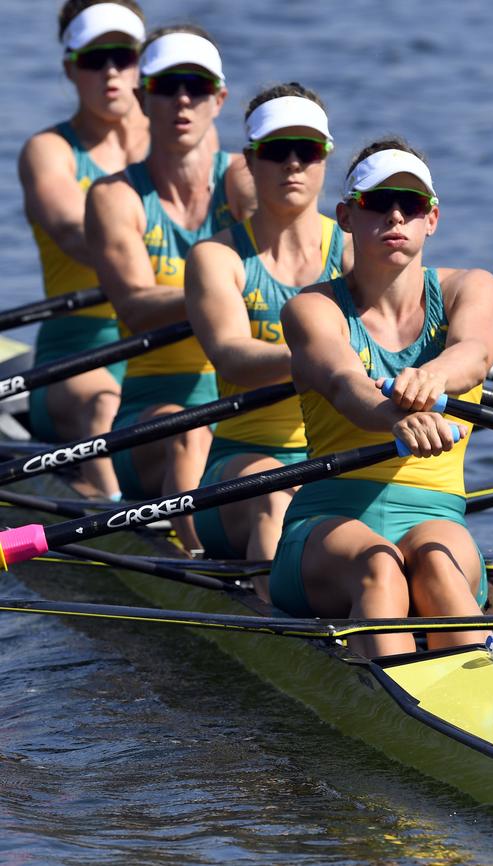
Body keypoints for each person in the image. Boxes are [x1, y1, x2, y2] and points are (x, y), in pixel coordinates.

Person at [270, 139, 493, 657]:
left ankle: (487, 705)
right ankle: (403, 709)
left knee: (439, 567)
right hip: (328, 523)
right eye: (378, 204)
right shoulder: (311, 308)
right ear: (347, 217)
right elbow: (342, 382)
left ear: (432, 219)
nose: (395, 216)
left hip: (438, 520)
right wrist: (391, 418)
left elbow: (476, 352)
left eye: (411, 205)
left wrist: (431, 377)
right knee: (379, 566)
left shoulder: (472, 287)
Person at [85, 23, 256, 551]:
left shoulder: (247, 178)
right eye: (167, 86)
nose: (183, 100)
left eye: (198, 87)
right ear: (142, 97)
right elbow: (136, 306)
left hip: (252, 401)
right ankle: (203, 564)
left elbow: (289, 264)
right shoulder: (116, 196)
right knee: (189, 429)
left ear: (219, 99)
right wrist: (220, 295)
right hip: (153, 412)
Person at [185, 83, 351, 593]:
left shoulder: (352, 252)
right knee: (275, 498)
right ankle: (283, 632)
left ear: (326, 159)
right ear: (252, 162)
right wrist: (317, 359)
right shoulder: (217, 257)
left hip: (338, 454)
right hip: (242, 463)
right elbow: (232, 356)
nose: (294, 164)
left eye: (309, 151)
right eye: (278, 151)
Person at [18, 0, 149, 499]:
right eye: (96, 60)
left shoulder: (180, 144)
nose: (112, 72)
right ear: (71, 68)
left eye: (125, 55)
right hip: (78, 352)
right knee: (104, 406)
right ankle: (120, 518)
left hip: (173, 340)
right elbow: (76, 235)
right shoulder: (49, 151)